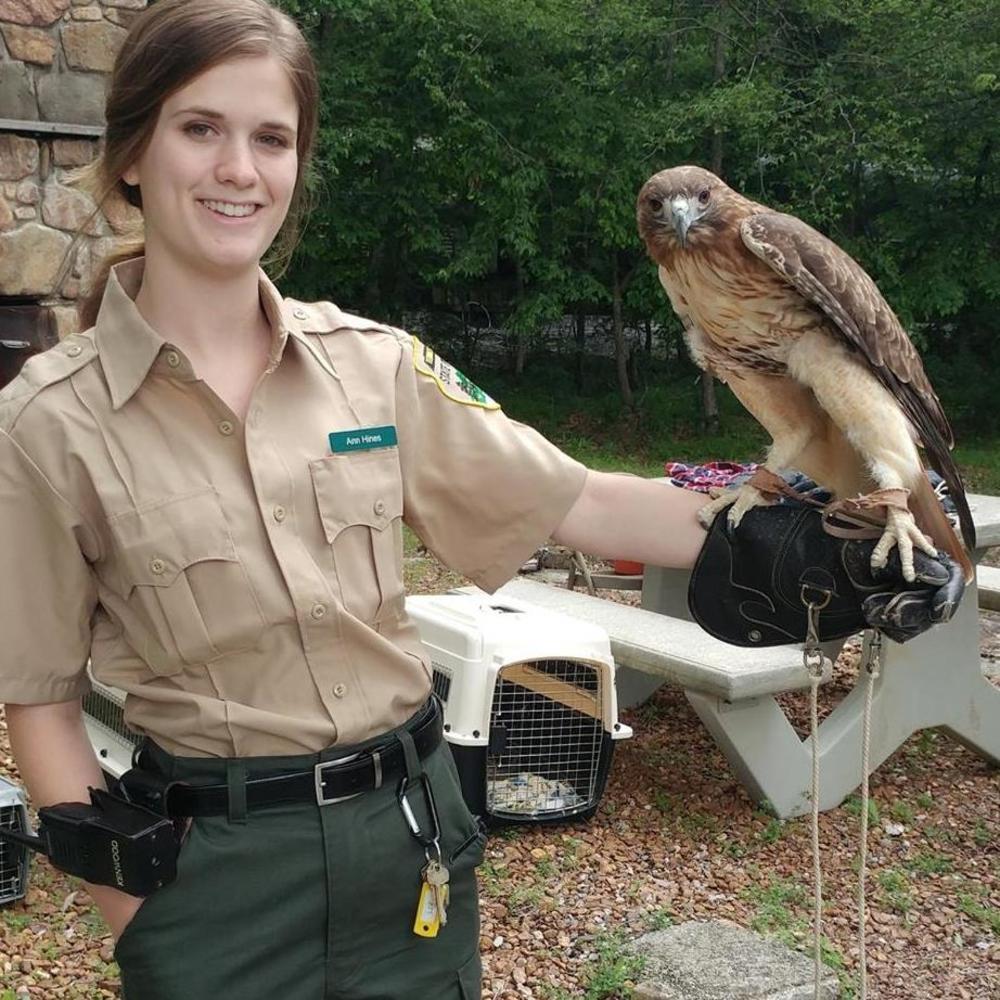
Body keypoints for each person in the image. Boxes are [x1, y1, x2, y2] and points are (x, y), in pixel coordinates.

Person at [0, 2, 961, 998]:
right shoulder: (48, 423)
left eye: (271, 138)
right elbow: (38, 702)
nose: (239, 169)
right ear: (130, 154)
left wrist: (796, 542)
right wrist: (151, 920)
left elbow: (578, 502)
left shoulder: (373, 369)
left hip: (411, 845)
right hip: (214, 873)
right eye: (200, 128)